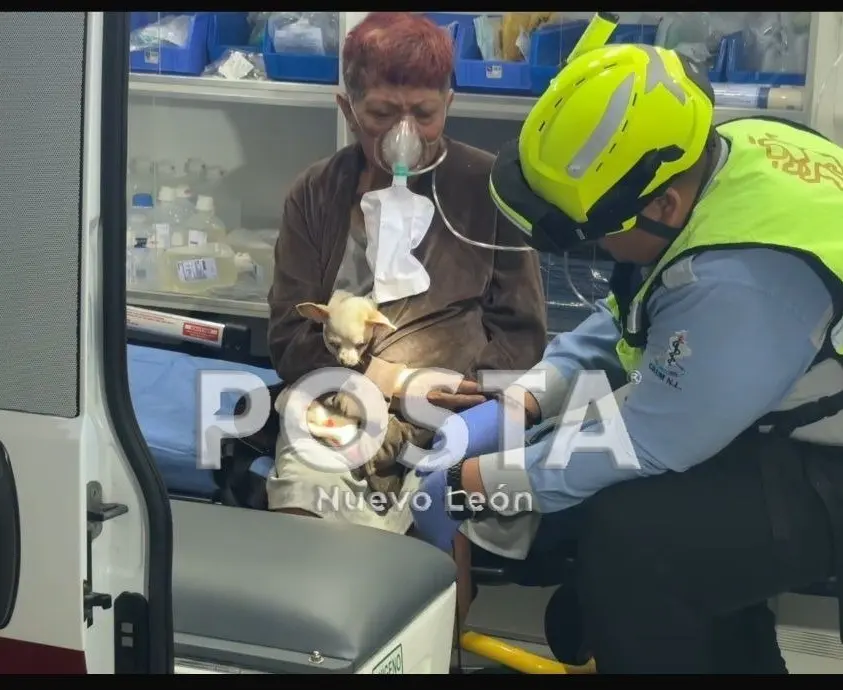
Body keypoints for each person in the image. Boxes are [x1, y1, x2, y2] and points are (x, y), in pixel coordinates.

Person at [412, 40, 843, 673]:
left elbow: (644, 442)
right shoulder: (720, 160)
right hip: (779, 398)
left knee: (638, 542)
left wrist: (474, 484)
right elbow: (633, 313)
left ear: (663, 205)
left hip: (824, 465)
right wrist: (528, 397)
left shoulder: (742, 284)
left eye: (594, 231)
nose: (597, 248)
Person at [263, 12, 547, 533]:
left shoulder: (488, 190)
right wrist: (390, 380)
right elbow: (288, 336)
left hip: (454, 413)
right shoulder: (316, 194)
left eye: (424, 113)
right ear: (347, 109)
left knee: (433, 531)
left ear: (450, 106)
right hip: (338, 400)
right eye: (382, 114)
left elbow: (523, 333)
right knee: (305, 510)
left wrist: (457, 393)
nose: (404, 134)